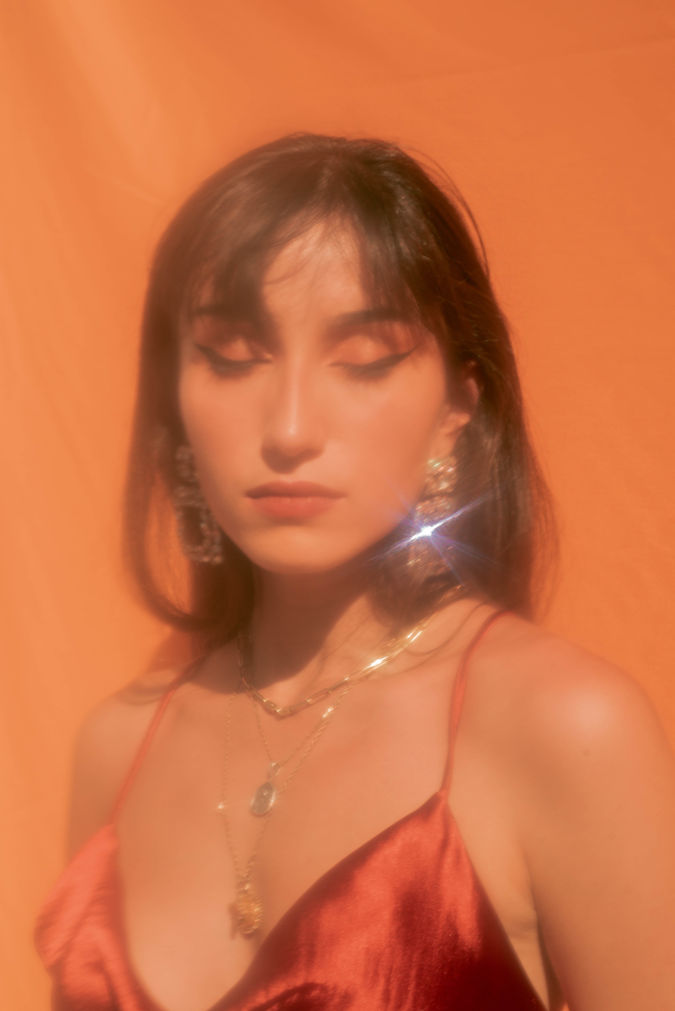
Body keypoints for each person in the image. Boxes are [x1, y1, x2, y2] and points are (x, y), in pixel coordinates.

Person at [36, 133, 675, 1011]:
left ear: (458, 404)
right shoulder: (117, 748)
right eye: (231, 355)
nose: (290, 427)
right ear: (173, 397)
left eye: (365, 358)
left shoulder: (563, 728)